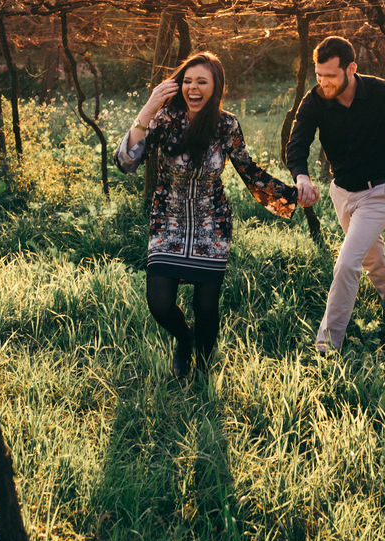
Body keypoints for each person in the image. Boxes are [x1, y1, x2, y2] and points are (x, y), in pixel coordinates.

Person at [116, 52, 298, 376]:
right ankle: (184, 341)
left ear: (216, 87)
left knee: (206, 308)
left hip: (211, 225)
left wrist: (293, 194)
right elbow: (126, 163)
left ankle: (201, 371)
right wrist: (147, 109)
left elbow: (249, 170)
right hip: (167, 222)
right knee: (159, 302)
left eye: (202, 81)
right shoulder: (165, 120)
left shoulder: (226, 125)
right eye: (187, 81)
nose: (193, 88)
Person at [286, 36, 385, 354]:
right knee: (373, 259)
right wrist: (302, 176)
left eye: (331, 75)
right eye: (319, 74)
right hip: (342, 192)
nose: (323, 82)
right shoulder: (314, 101)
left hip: (380, 191)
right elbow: (297, 144)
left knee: (348, 263)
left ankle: (327, 344)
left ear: (351, 68)